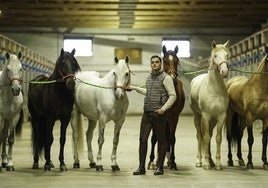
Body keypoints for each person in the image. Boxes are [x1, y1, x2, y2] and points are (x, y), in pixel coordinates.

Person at [129, 55, 177, 175]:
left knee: (161, 141)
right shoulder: (149, 77)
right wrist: (135, 88)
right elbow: (148, 92)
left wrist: (163, 109)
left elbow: (173, 96)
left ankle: (159, 167)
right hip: (147, 113)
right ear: (150, 64)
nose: (154, 64)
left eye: (157, 62)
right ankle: (141, 167)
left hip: (159, 115)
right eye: (152, 62)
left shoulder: (166, 78)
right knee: (142, 140)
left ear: (161, 64)